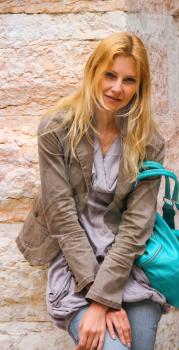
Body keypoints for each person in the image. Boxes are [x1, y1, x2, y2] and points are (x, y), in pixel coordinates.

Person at [16, 32, 167, 350]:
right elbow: (62, 218)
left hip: (128, 266)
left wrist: (104, 300)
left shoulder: (148, 142)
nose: (117, 88)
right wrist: (100, 300)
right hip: (76, 268)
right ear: (93, 71)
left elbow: (137, 226)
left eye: (129, 80)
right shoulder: (56, 130)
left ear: (140, 86)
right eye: (110, 75)